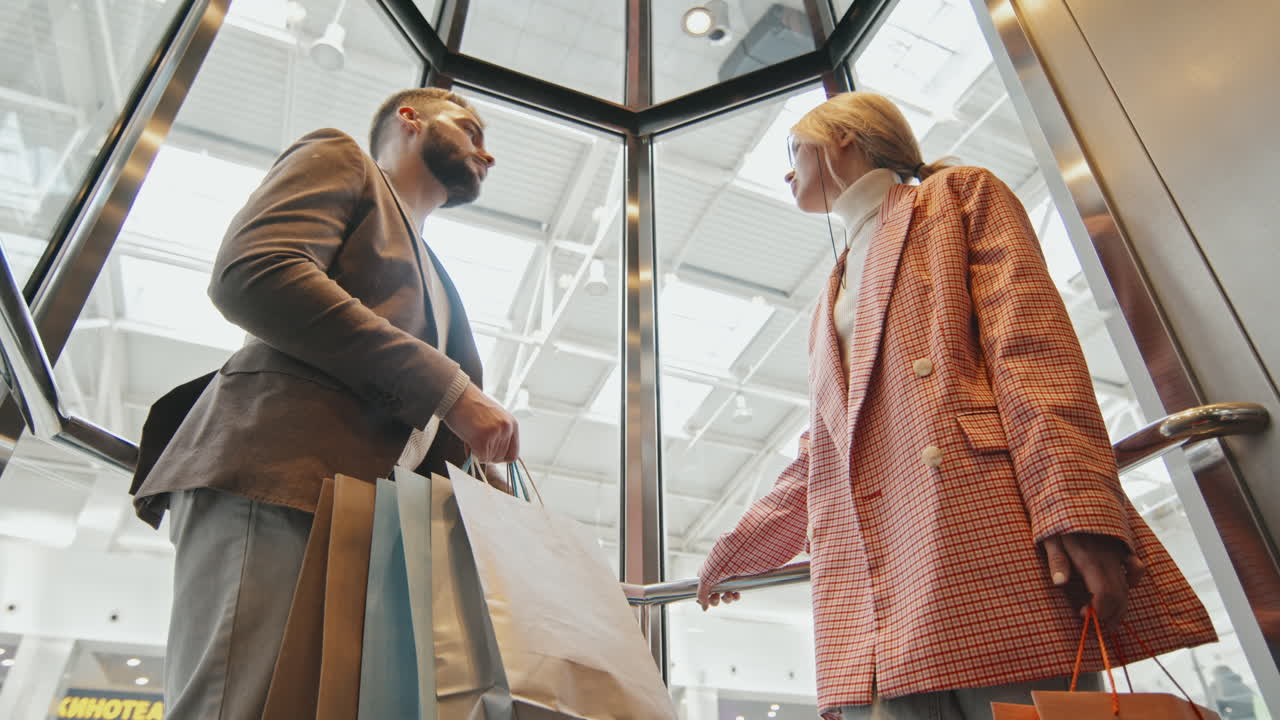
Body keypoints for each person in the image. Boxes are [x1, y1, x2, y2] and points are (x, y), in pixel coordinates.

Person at [694, 92, 1216, 719]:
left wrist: (1077, 507)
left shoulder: (957, 197)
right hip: (877, 581)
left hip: (983, 535)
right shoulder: (831, 289)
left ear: (844, 140)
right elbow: (825, 453)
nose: (786, 171)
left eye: (793, 149)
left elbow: (1029, 348)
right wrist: (738, 550)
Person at [127, 88, 519, 720]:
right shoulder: (341, 158)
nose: (487, 152)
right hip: (281, 481)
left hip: (371, 526)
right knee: (239, 705)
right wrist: (454, 391)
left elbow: (429, 429)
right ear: (410, 118)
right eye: (470, 127)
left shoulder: (441, 280)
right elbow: (256, 270)